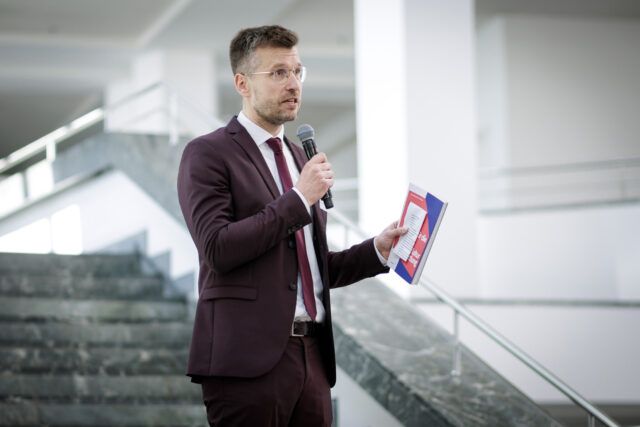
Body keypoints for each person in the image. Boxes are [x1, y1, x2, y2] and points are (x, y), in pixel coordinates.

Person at [177, 25, 407, 427]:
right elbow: (217, 248)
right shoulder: (208, 153)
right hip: (246, 364)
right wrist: (299, 199)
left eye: (298, 72)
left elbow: (310, 268)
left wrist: (376, 251)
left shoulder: (302, 158)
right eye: (279, 73)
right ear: (242, 83)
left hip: (312, 359)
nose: (293, 84)